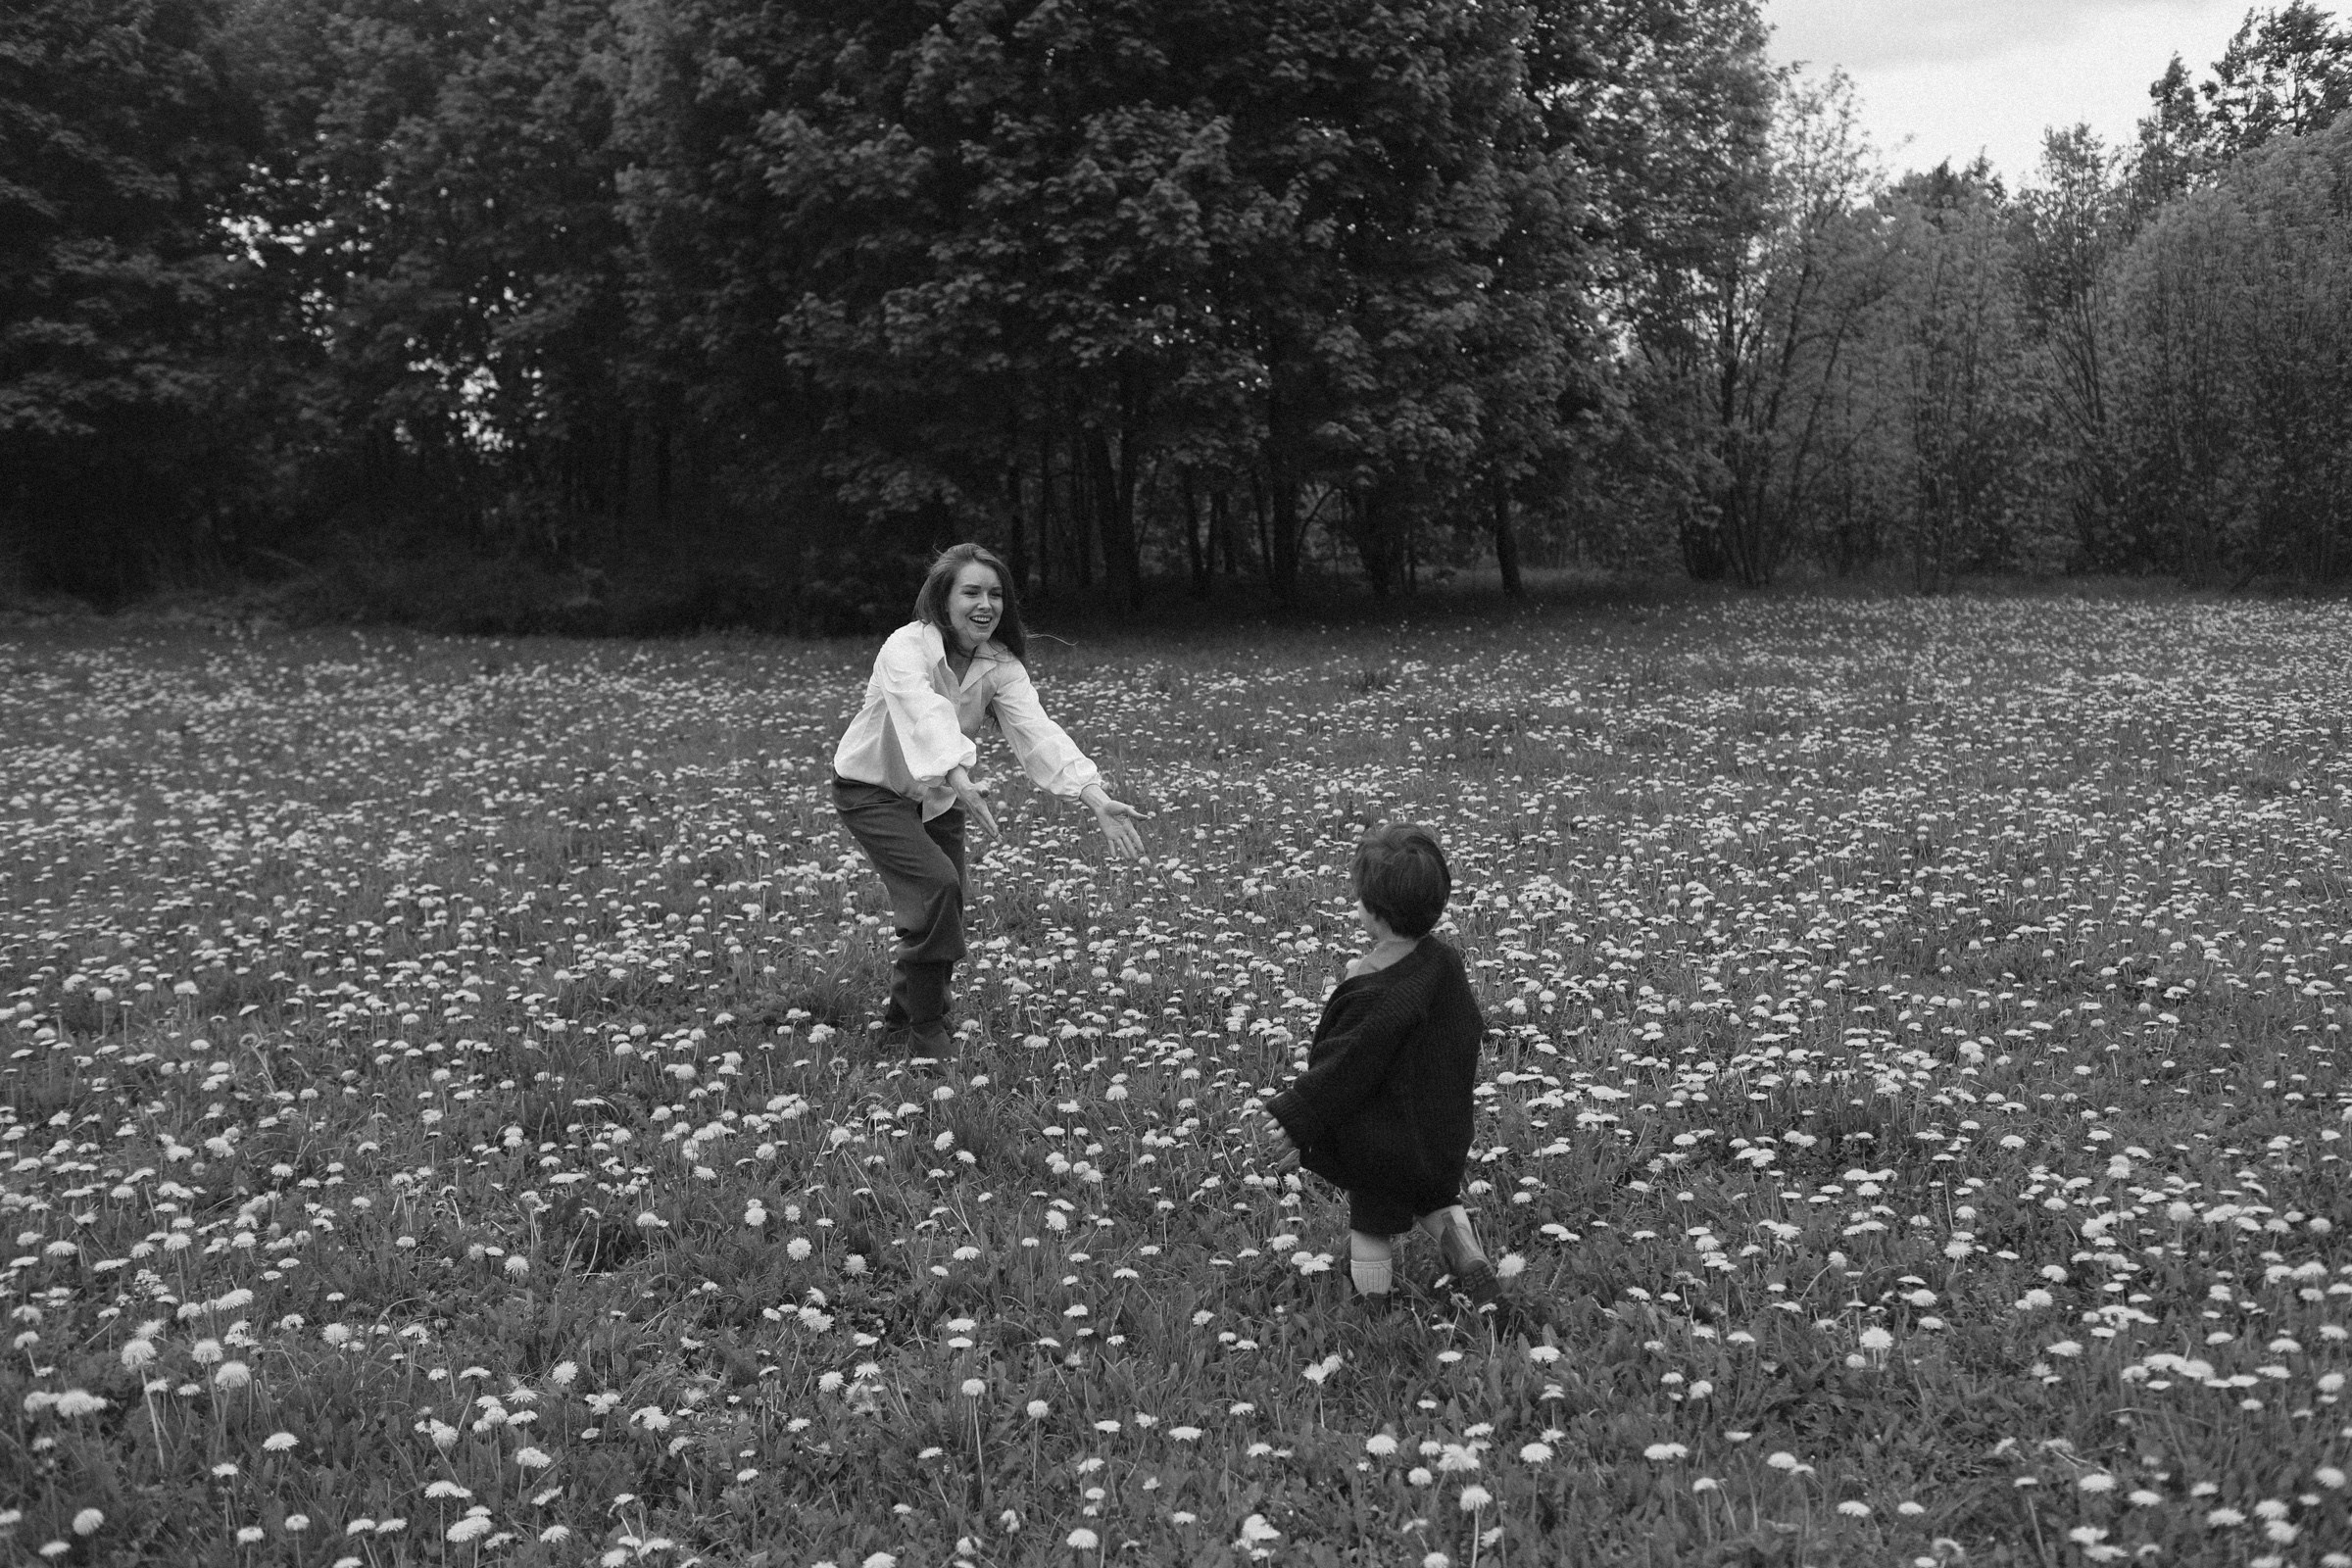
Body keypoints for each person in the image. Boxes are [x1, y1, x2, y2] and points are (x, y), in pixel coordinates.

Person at [832, 543, 1146, 1054]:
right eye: (971, 592)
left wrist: (1094, 796)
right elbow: (924, 714)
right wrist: (957, 776)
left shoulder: (999, 664)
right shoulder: (905, 648)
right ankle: (927, 1032)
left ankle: (901, 1019)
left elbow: (1037, 732)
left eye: (996, 594)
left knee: (945, 901)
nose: (986, 604)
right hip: (873, 790)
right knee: (936, 888)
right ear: (943, 599)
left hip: (939, 794)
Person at [1261, 824, 1501, 1311]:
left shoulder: (1370, 986)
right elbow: (1466, 1028)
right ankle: (1468, 1254)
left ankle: (1375, 1308)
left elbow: (1346, 1063)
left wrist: (1296, 1111)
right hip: (1440, 1128)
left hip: (1383, 1141)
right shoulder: (1446, 963)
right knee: (1439, 1200)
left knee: (1371, 1222)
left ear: (1374, 912)